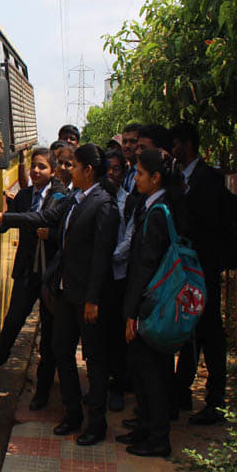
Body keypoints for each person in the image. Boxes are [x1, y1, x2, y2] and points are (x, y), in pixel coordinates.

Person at [118, 148, 187, 457]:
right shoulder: (153, 207)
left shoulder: (158, 213)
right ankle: (146, 428)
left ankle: (158, 439)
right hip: (148, 304)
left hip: (150, 307)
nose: (137, 179)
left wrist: (132, 313)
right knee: (143, 371)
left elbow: (145, 267)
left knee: (153, 375)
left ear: (156, 178)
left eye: (141, 174)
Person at [49, 144, 119, 446]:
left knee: (95, 361)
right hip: (67, 294)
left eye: (74, 166)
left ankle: (97, 424)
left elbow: (102, 258)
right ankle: (72, 413)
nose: (69, 170)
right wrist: (6, 219)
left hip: (87, 298)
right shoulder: (76, 199)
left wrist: (93, 299)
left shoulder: (104, 204)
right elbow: (49, 223)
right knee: (60, 351)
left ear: (88, 170)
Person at [0, 148, 69, 388]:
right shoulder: (23, 195)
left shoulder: (60, 196)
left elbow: (42, 219)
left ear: (53, 172)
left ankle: (43, 388)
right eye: (34, 165)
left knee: (49, 334)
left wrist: (8, 218)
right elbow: (6, 223)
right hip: (26, 271)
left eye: (42, 167)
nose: (36, 170)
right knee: (13, 320)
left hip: (50, 275)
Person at [170, 122, 228, 425]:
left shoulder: (207, 179)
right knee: (193, 329)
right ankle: (182, 392)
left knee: (210, 333)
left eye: (176, 144)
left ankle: (216, 401)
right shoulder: (183, 178)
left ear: (188, 145)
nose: (173, 150)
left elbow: (205, 223)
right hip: (189, 269)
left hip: (204, 268)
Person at [106, 148, 131, 412]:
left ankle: (118, 388)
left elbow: (129, 240)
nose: (113, 173)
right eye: (109, 168)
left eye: (117, 169)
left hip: (118, 276)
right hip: (99, 278)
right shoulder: (96, 198)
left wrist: (107, 257)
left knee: (117, 338)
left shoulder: (128, 202)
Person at [121, 123, 142, 192]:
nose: (127, 146)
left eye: (132, 141)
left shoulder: (147, 173)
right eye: (124, 142)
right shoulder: (123, 170)